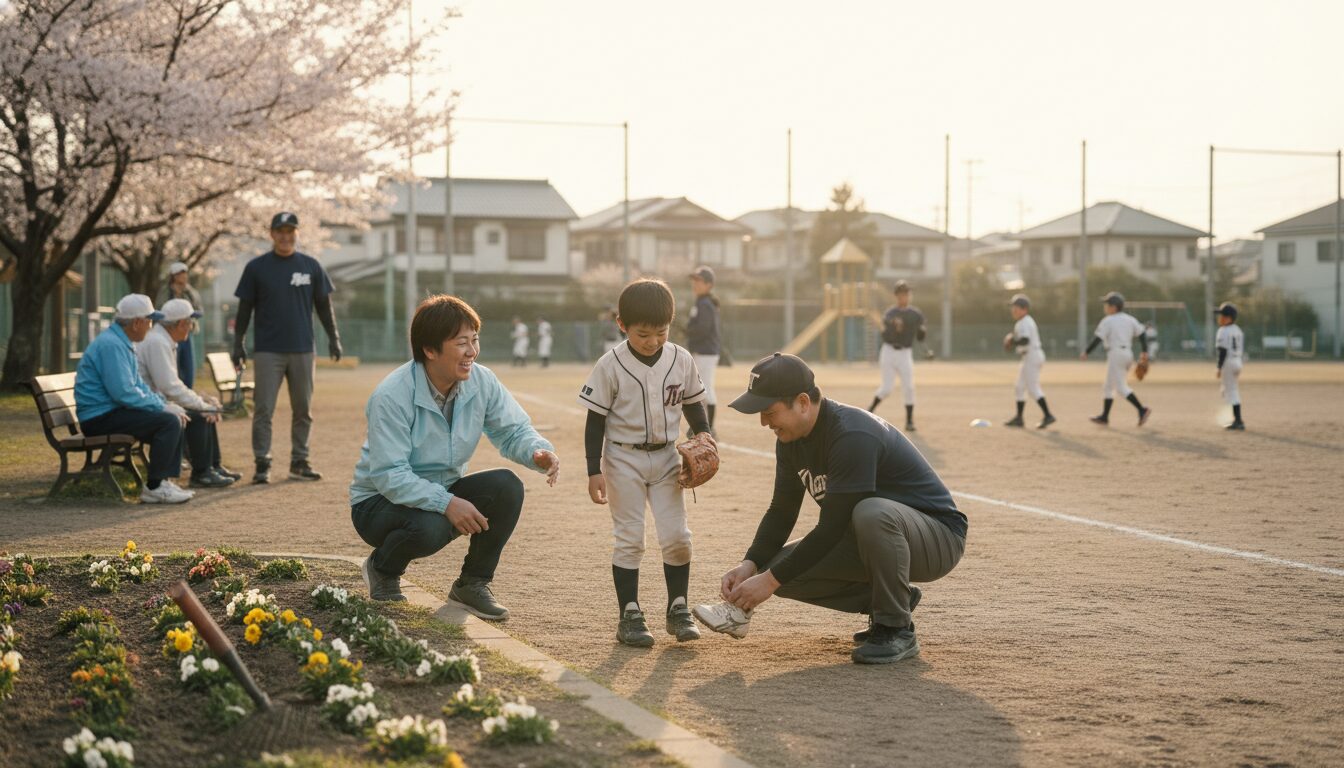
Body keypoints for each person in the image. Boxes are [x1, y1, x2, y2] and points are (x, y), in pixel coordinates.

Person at [692, 353, 966, 664]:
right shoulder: (790, 441)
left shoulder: (851, 435)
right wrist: (751, 564)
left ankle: (896, 628)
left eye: (769, 411)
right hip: (878, 537)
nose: (764, 422)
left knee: (870, 513)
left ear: (803, 402)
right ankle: (892, 599)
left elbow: (833, 526)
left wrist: (768, 582)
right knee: (780, 565)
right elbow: (782, 511)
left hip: (938, 537)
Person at [350, 295, 561, 614]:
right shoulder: (392, 396)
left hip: (440, 490)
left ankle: (471, 584)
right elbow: (389, 474)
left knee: (506, 487)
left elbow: (512, 430)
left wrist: (537, 452)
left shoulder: (482, 381)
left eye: (475, 340)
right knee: (429, 527)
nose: (472, 351)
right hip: (377, 502)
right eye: (461, 342)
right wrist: (446, 503)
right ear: (430, 350)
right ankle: (383, 568)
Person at [579, 278, 713, 647]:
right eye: (643, 333)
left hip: (668, 456)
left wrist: (704, 434)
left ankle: (678, 608)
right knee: (630, 539)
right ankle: (630, 614)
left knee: (677, 537)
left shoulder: (680, 358)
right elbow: (595, 420)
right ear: (621, 324)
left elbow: (693, 402)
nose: (653, 340)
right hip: (623, 458)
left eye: (661, 332)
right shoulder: (611, 364)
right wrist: (594, 470)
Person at [231, 212, 342, 484]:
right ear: (271, 234)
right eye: (279, 230)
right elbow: (244, 308)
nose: (285, 235)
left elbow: (324, 306)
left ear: (297, 233)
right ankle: (262, 463)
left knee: (303, 409)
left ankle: (299, 461)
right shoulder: (257, 268)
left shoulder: (310, 266)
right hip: (268, 350)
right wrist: (238, 342)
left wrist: (333, 336)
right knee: (263, 409)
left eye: (290, 230)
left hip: (303, 348)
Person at [74, 294, 192, 504]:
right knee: (168, 422)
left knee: (173, 416)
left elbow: (137, 386)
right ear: (137, 322)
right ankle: (155, 487)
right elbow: (124, 393)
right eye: (149, 320)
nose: (151, 326)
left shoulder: (122, 342)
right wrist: (162, 408)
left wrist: (163, 404)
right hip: (99, 418)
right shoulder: (112, 345)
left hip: (109, 412)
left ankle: (162, 481)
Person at [136, 298, 240, 489]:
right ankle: (202, 473)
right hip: (148, 404)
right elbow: (170, 387)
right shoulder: (158, 342)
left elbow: (171, 385)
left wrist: (202, 401)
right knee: (199, 414)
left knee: (205, 409)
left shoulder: (164, 340)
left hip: (154, 400)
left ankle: (212, 465)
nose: (192, 327)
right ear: (182, 324)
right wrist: (201, 404)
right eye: (191, 322)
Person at [1081, 292, 1152, 427]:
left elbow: (1098, 339)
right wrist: (1144, 352)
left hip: (1116, 354)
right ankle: (1104, 417)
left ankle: (1142, 410)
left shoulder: (1108, 320)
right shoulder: (1129, 319)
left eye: (1107, 304)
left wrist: (1086, 352)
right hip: (1127, 354)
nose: (1105, 307)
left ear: (1114, 307)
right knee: (1108, 386)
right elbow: (1142, 334)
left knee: (1121, 387)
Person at [869, 280, 926, 432]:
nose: (905, 296)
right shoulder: (890, 313)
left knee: (908, 387)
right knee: (887, 388)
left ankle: (909, 421)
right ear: (896, 296)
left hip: (905, 353)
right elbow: (885, 334)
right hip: (889, 352)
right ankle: (869, 412)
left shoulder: (915, 314)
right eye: (902, 294)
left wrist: (921, 333)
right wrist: (895, 327)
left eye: (907, 293)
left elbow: (920, 335)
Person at [1003, 294, 1055, 429]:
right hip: (1029, 356)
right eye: (1012, 308)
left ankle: (1048, 415)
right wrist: (1013, 342)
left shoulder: (1024, 322)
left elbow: (1025, 340)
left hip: (1032, 356)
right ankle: (1019, 418)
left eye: (1016, 308)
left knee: (1033, 388)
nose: (1013, 310)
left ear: (1024, 309)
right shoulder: (1023, 322)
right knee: (1019, 387)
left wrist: (1012, 341)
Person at [686, 266, 722, 437]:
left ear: (709, 284)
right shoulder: (702, 302)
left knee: (705, 388)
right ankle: (702, 425)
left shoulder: (705, 303)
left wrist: (688, 330)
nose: (695, 284)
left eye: (699, 281)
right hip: (703, 350)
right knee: (701, 388)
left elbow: (703, 328)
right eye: (694, 280)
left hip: (705, 351)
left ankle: (708, 428)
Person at [160, 261, 203, 389]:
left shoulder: (190, 291)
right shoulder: (165, 291)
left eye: (185, 274)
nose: (184, 277)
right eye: (180, 274)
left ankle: (188, 392)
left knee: (188, 367)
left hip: (186, 333)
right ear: (173, 275)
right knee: (174, 366)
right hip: (170, 333)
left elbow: (199, 309)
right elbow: (160, 309)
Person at [1215, 302, 1245, 430]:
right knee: (1231, 389)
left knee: (1230, 391)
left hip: (1228, 362)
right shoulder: (1238, 330)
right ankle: (1237, 419)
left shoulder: (1223, 331)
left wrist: (1219, 367)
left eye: (1222, 315)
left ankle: (1238, 420)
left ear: (1229, 318)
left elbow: (1223, 351)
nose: (1220, 318)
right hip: (1238, 361)